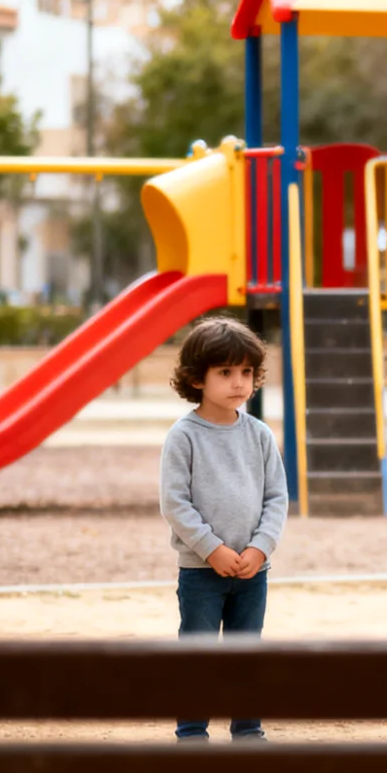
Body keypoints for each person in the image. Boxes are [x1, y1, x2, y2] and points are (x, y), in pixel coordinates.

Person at [160, 317, 287, 743]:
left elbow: (276, 498)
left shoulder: (260, 435)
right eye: (226, 372)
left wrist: (261, 549)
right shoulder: (183, 438)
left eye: (247, 372)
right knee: (197, 656)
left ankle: (248, 731)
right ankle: (192, 733)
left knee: (246, 654)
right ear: (197, 378)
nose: (239, 383)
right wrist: (212, 549)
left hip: (253, 571)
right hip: (200, 572)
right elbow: (175, 503)